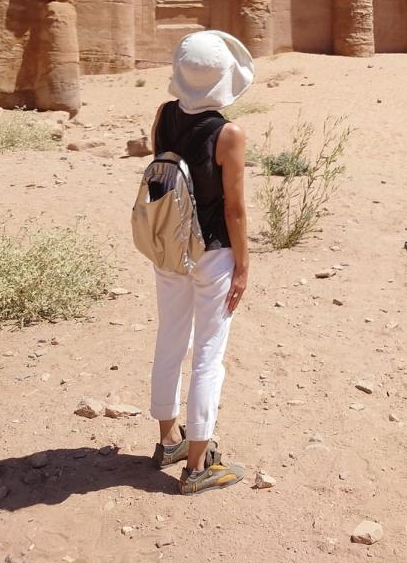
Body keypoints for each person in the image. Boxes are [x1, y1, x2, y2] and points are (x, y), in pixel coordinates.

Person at [147, 29, 252, 493]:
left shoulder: (164, 116)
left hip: (169, 248)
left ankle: (169, 440)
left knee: (170, 341)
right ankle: (196, 467)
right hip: (212, 255)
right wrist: (243, 266)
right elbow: (235, 210)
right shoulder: (228, 134)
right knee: (209, 356)